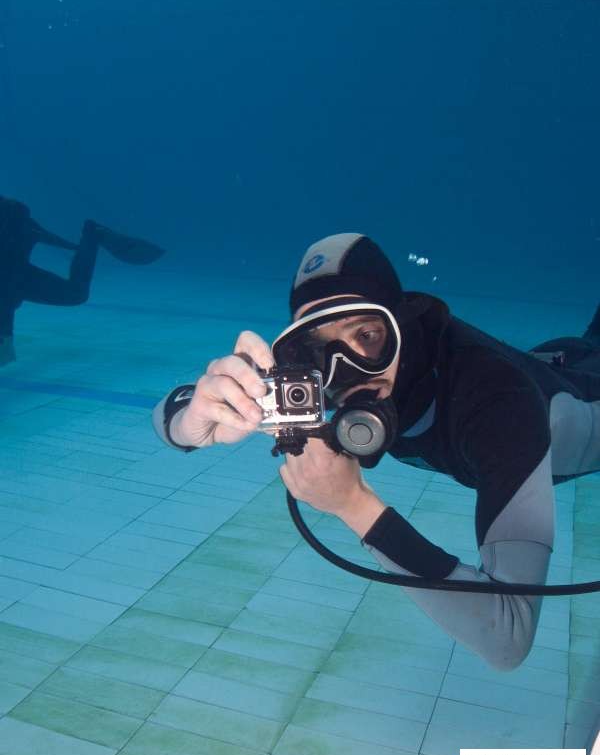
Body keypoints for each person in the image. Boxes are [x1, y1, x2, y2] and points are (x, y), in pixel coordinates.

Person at [152, 232, 600, 671]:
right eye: (321, 348)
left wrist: (355, 506)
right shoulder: (326, 380)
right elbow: (166, 414)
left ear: (401, 326)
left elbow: (508, 637)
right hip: (558, 358)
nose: (348, 368)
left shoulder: (498, 406)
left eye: (367, 333)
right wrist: (194, 423)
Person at [0, 195, 164, 365]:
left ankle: (93, 235)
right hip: (17, 280)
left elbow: (41, 236)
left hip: (14, 282)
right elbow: (44, 236)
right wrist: (83, 246)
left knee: (73, 294)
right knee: (74, 294)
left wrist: (82, 246)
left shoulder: (17, 221)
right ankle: (93, 235)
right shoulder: (20, 221)